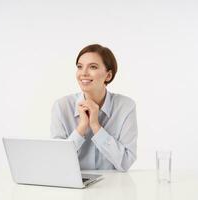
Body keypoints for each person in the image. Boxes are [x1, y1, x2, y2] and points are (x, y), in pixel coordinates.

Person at [50, 44, 138, 172]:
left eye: (93, 67)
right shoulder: (62, 106)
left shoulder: (125, 106)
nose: (84, 73)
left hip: (112, 187)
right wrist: (82, 126)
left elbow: (125, 163)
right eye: (80, 67)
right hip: (73, 186)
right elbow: (57, 162)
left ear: (108, 75)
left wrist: (96, 126)